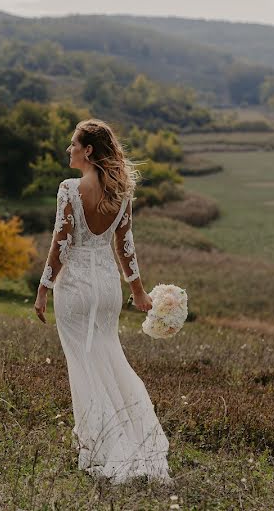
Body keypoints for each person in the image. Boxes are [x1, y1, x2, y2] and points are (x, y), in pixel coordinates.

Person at [33, 119, 173, 486]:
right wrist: (138, 291)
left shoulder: (69, 189)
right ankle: (130, 436)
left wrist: (44, 286)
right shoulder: (121, 193)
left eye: (73, 145)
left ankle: (98, 446)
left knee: (83, 365)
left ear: (88, 150)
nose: (69, 150)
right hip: (108, 288)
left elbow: (61, 242)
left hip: (76, 288)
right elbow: (125, 247)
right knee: (110, 359)